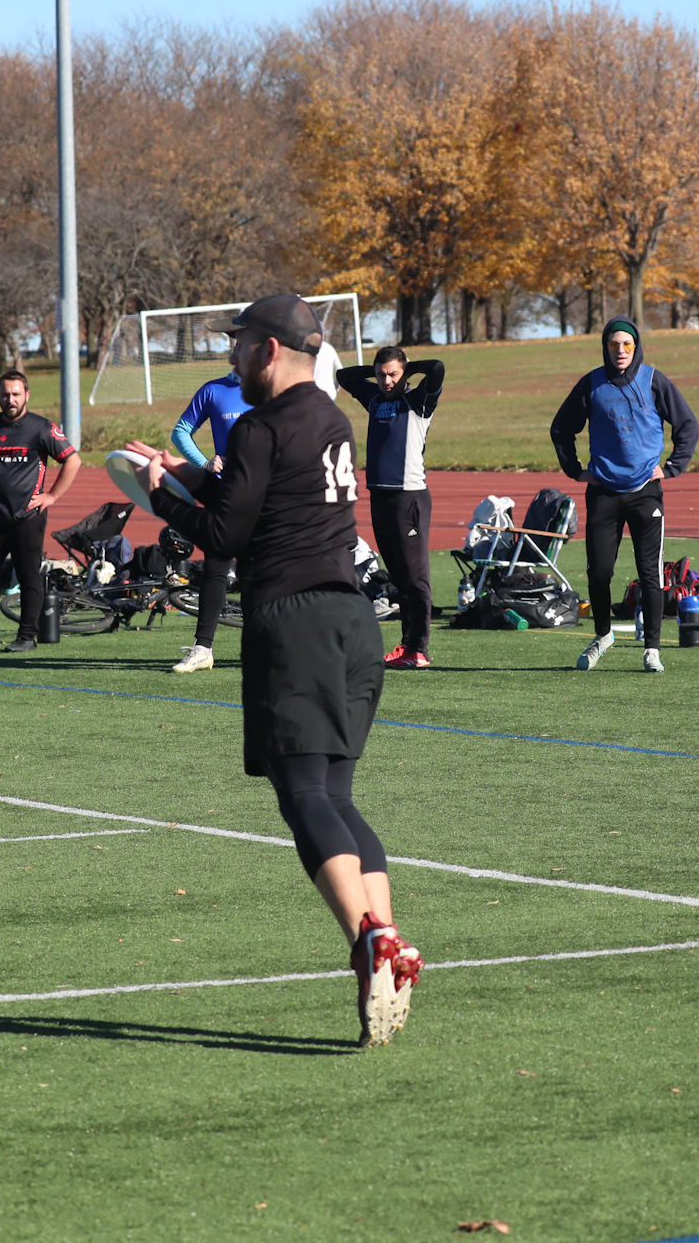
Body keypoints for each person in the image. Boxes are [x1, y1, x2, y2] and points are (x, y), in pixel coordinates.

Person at [129, 293, 422, 1047]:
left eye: (237, 345)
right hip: (353, 622)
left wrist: (161, 496)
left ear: (267, 349)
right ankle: (388, 942)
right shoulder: (332, 419)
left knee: (304, 798)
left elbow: (225, 535)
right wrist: (186, 476)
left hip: (295, 624)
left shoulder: (259, 426)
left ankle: (368, 939)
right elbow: (258, 501)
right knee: (337, 796)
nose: (230, 358)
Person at [549, 316, 699, 674]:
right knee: (599, 572)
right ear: (605, 347)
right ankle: (603, 636)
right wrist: (575, 469)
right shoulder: (591, 384)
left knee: (651, 574)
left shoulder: (654, 380)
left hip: (646, 494)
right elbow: (561, 428)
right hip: (603, 493)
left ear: (636, 347)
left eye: (627, 344)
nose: (620, 351)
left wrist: (672, 467)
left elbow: (687, 425)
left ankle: (652, 649)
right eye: (614, 344)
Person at [0, 370, 81, 655]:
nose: (10, 399)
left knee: (28, 577)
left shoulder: (42, 428)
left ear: (27, 395)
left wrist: (51, 496)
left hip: (27, 517)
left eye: (16, 394)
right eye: (5, 394)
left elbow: (73, 461)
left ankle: (27, 636)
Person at [339, 347, 445, 669]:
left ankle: (419, 650)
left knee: (415, 577)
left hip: (408, 497)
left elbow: (437, 368)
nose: (386, 381)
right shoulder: (375, 398)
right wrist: (375, 372)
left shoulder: (418, 400)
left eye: (393, 374)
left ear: (405, 372)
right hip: (380, 497)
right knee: (399, 578)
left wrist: (408, 369)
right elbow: (344, 376)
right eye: (381, 375)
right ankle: (407, 645)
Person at [165, 365, 251, 673]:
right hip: (224, 493)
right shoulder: (213, 390)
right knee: (216, 569)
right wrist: (204, 462)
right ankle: (203, 649)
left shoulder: (273, 387)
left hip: (266, 494)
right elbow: (180, 431)